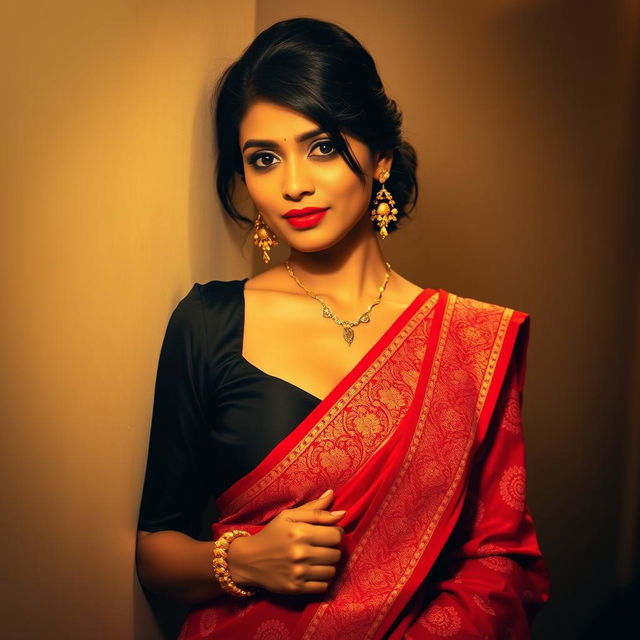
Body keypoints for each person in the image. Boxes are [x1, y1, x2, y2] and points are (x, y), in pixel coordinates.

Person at [135, 17, 550, 640]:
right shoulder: (209, 322)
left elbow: (501, 564)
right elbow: (153, 550)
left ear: (381, 156)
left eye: (322, 147)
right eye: (264, 158)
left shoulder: (467, 343)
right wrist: (244, 561)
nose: (294, 184)